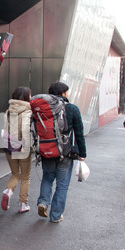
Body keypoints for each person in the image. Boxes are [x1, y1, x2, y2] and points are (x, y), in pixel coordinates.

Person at [37, 82, 87, 223]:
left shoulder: (42, 109)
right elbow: (79, 133)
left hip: (46, 150)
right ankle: (56, 216)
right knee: (62, 184)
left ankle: (43, 203)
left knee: (47, 178)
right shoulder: (72, 109)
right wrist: (82, 153)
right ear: (64, 93)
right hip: (65, 152)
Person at [1, 86, 33, 213]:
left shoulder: (8, 111)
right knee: (25, 177)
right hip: (22, 148)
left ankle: (8, 191)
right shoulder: (27, 111)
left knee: (15, 173)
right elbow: (25, 130)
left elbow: (5, 130)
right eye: (30, 95)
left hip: (8, 147)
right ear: (26, 97)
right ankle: (23, 204)